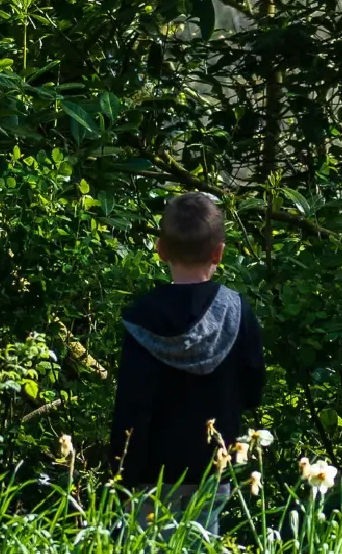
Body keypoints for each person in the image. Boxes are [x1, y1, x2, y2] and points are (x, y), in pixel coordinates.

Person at [108, 192, 266, 502]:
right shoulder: (237, 310)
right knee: (203, 547)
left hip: (151, 475)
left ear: (161, 250)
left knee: (149, 550)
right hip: (214, 465)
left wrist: (120, 473)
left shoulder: (143, 315)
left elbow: (131, 404)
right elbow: (253, 387)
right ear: (219, 253)